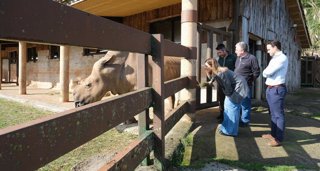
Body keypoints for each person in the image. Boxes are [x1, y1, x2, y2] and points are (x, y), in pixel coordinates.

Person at [203, 58, 249, 136]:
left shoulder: (221, 73)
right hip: (234, 87)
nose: (205, 68)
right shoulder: (218, 71)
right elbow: (215, 76)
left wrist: (230, 96)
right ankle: (226, 128)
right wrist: (210, 82)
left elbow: (227, 86)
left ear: (212, 66)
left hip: (238, 88)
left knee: (232, 109)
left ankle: (231, 131)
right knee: (227, 108)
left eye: (206, 66)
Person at [262, 40, 288, 147]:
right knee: (273, 114)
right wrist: (266, 71)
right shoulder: (275, 58)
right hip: (271, 88)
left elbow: (267, 72)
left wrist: (266, 71)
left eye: (269, 49)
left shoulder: (282, 58)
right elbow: (266, 72)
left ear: (275, 47)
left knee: (278, 115)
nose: (267, 51)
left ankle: (278, 139)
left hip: (277, 89)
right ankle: (273, 134)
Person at [234, 42, 260, 127]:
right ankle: (238, 119)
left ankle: (244, 121)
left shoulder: (252, 58)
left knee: (245, 104)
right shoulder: (238, 58)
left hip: (245, 86)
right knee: (237, 103)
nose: (235, 51)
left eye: (236, 50)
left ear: (242, 50)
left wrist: (249, 80)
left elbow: (256, 72)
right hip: (236, 85)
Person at [216, 44, 237, 123]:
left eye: (220, 52)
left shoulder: (233, 57)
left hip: (230, 82)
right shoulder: (220, 59)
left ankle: (229, 116)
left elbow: (236, 68)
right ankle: (221, 114)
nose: (219, 54)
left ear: (224, 50)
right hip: (221, 81)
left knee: (229, 99)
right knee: (221, 98)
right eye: (218, 53)